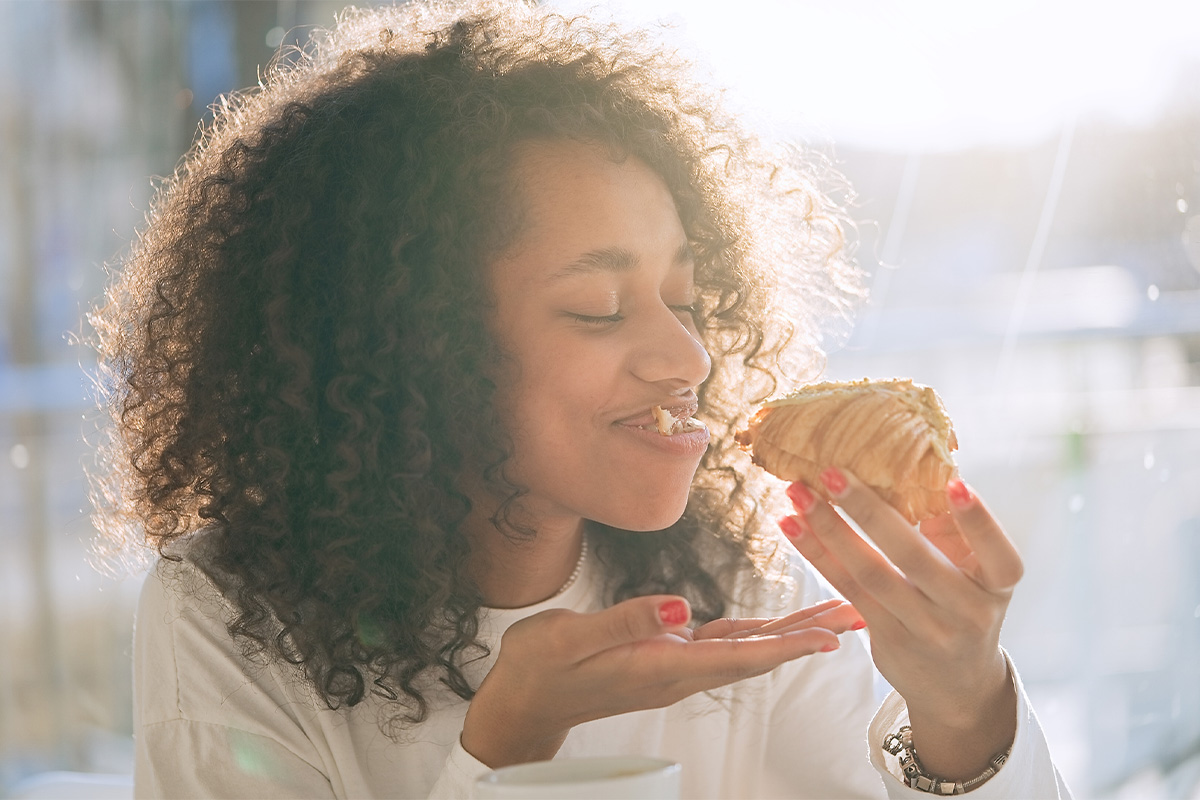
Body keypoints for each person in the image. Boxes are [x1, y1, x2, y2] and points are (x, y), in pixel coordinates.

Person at [88, 1, 1071, 797]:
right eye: (599, 308)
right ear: (416, 345)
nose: (688, 354)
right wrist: (506, 744)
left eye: (686, 300)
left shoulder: (744, 577)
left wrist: (963, 717)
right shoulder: (227, 615)